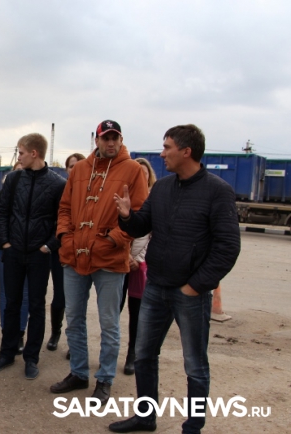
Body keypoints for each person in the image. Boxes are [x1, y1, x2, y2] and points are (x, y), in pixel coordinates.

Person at [109, 125, 241, 433]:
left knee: (195, 364)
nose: (162, 153)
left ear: (186, 151)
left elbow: (228, 247)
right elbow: (141, 226)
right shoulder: (163, 188)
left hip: (190, 293)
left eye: (167, 147)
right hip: (156, 286)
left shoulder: (217, 191)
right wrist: (127, 215)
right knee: (144, 355)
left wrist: (195, 286)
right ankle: (146, 417)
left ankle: (193, 426)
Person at [51, 120, 148, 405]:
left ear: (121, 139)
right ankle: (78, 373)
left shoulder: (132, 170)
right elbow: (65, 208)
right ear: (97, 140)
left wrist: (113, 240)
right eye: (106, 138)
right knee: (74, 319)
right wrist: (65, 237)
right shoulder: (81, 169)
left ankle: (105, 379)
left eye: (115, 137)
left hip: (110, 259)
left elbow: (140, 214)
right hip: (75, 255)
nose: (111, 142)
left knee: (109, 324)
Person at [0, 133, 66, 380]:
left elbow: (63, 220)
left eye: (21, 152)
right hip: (13, 252)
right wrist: (5, 241)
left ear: (34, 153)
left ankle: (31, 358)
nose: (18, 157)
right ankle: (7, 353)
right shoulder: (13, 179)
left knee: (36, 306)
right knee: (11, 304)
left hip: (39, 255)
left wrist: (49, 246)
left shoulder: (57, 184)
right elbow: (2, 210)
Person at [121, 158, 157, 376]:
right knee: (112, 310)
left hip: (140, 265)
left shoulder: (155, 200)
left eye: (144, 173)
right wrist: (126, 256)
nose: (141, 177)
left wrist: (138, 259)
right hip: (120, 261)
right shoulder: (123, 198)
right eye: (137, 173)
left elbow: (153, 235)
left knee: (137, 313)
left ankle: (132, 354)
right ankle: (108, 352)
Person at [0, 161, 30, 355]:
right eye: (16, 172)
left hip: (28, 251)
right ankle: (6, 333)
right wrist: (5, 243)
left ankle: (20, 333)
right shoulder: (3, 196)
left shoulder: (34, 195)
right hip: (7, 251)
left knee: (24, 294)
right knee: (6, 294)